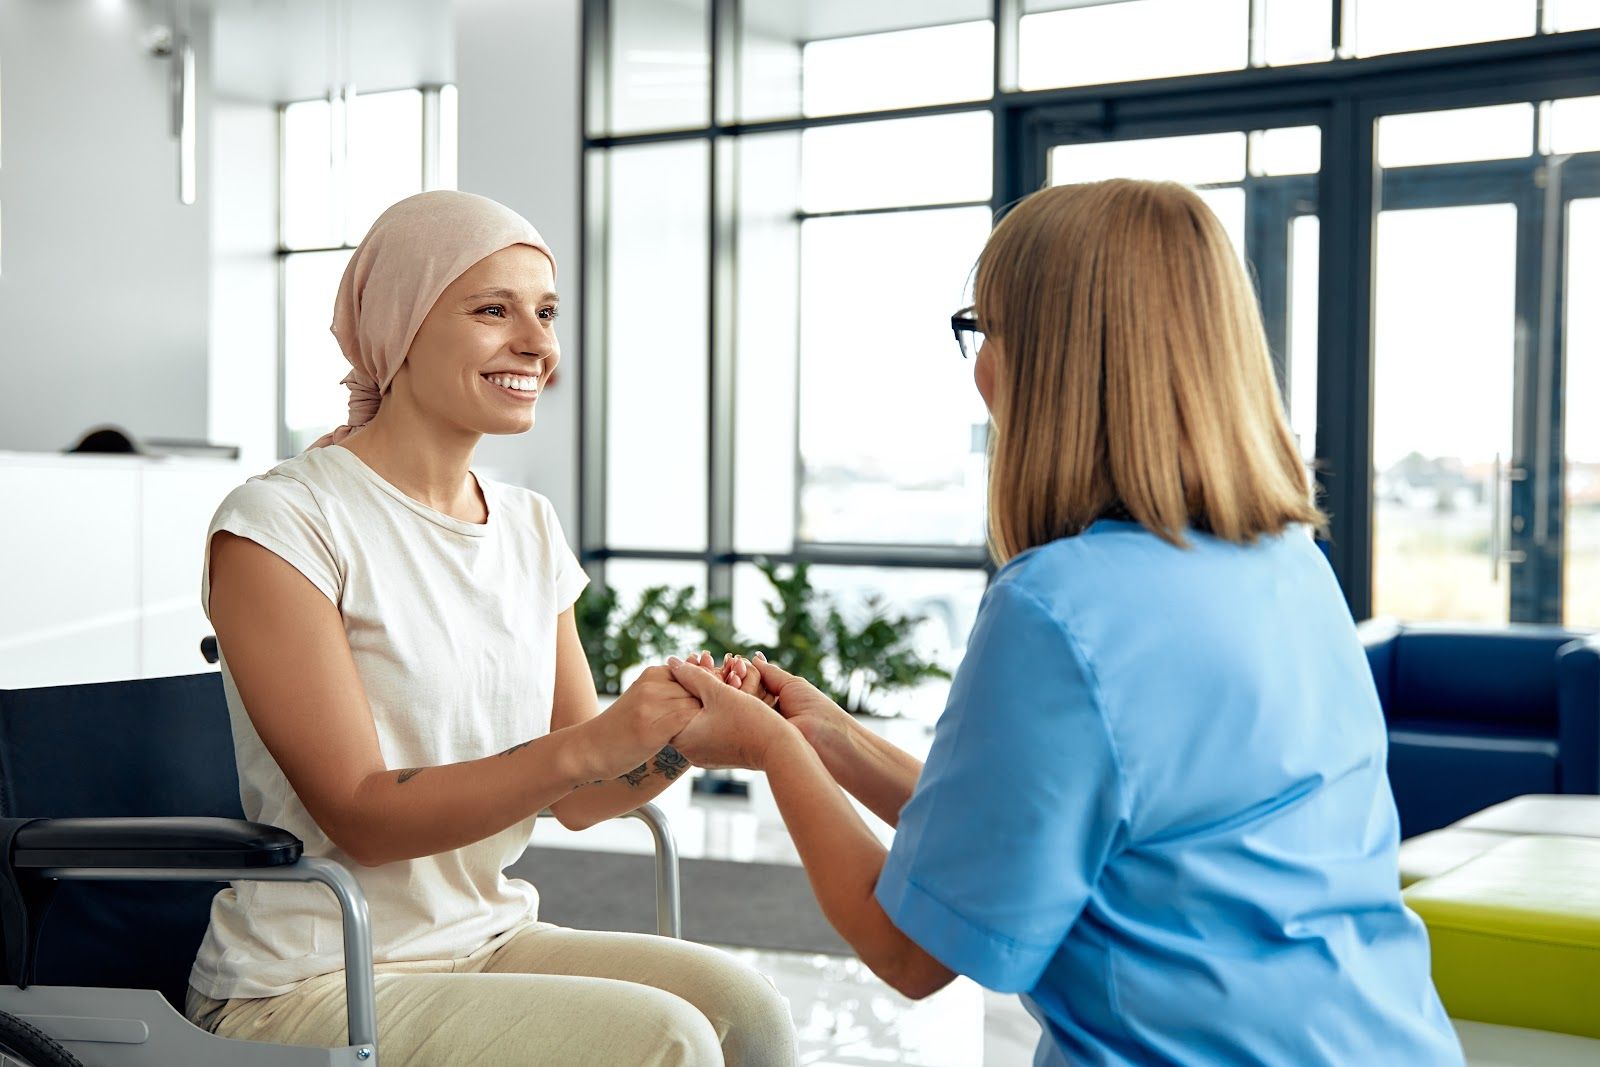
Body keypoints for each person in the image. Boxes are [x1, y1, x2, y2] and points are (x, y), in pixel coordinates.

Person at [666, 180, 1466, 1066]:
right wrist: (828, 737)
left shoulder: (1060, 604)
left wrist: (770, 751)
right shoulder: (1290, 567)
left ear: (1054, 358)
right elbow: (1033, 832)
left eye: (985, 328)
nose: (979, 365)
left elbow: (910, 951)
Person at [190, 190, 796, 1066]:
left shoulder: (527, 527)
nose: (538, 344)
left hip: (483, 939)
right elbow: (363, 815)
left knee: (750, 1011)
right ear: (400, 328)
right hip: (314, 974)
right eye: (492, 310)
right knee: (668, 1039)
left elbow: (585, 797)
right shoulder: (283, 524)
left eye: (545, 313)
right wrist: (596, 743)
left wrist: (682, 741)